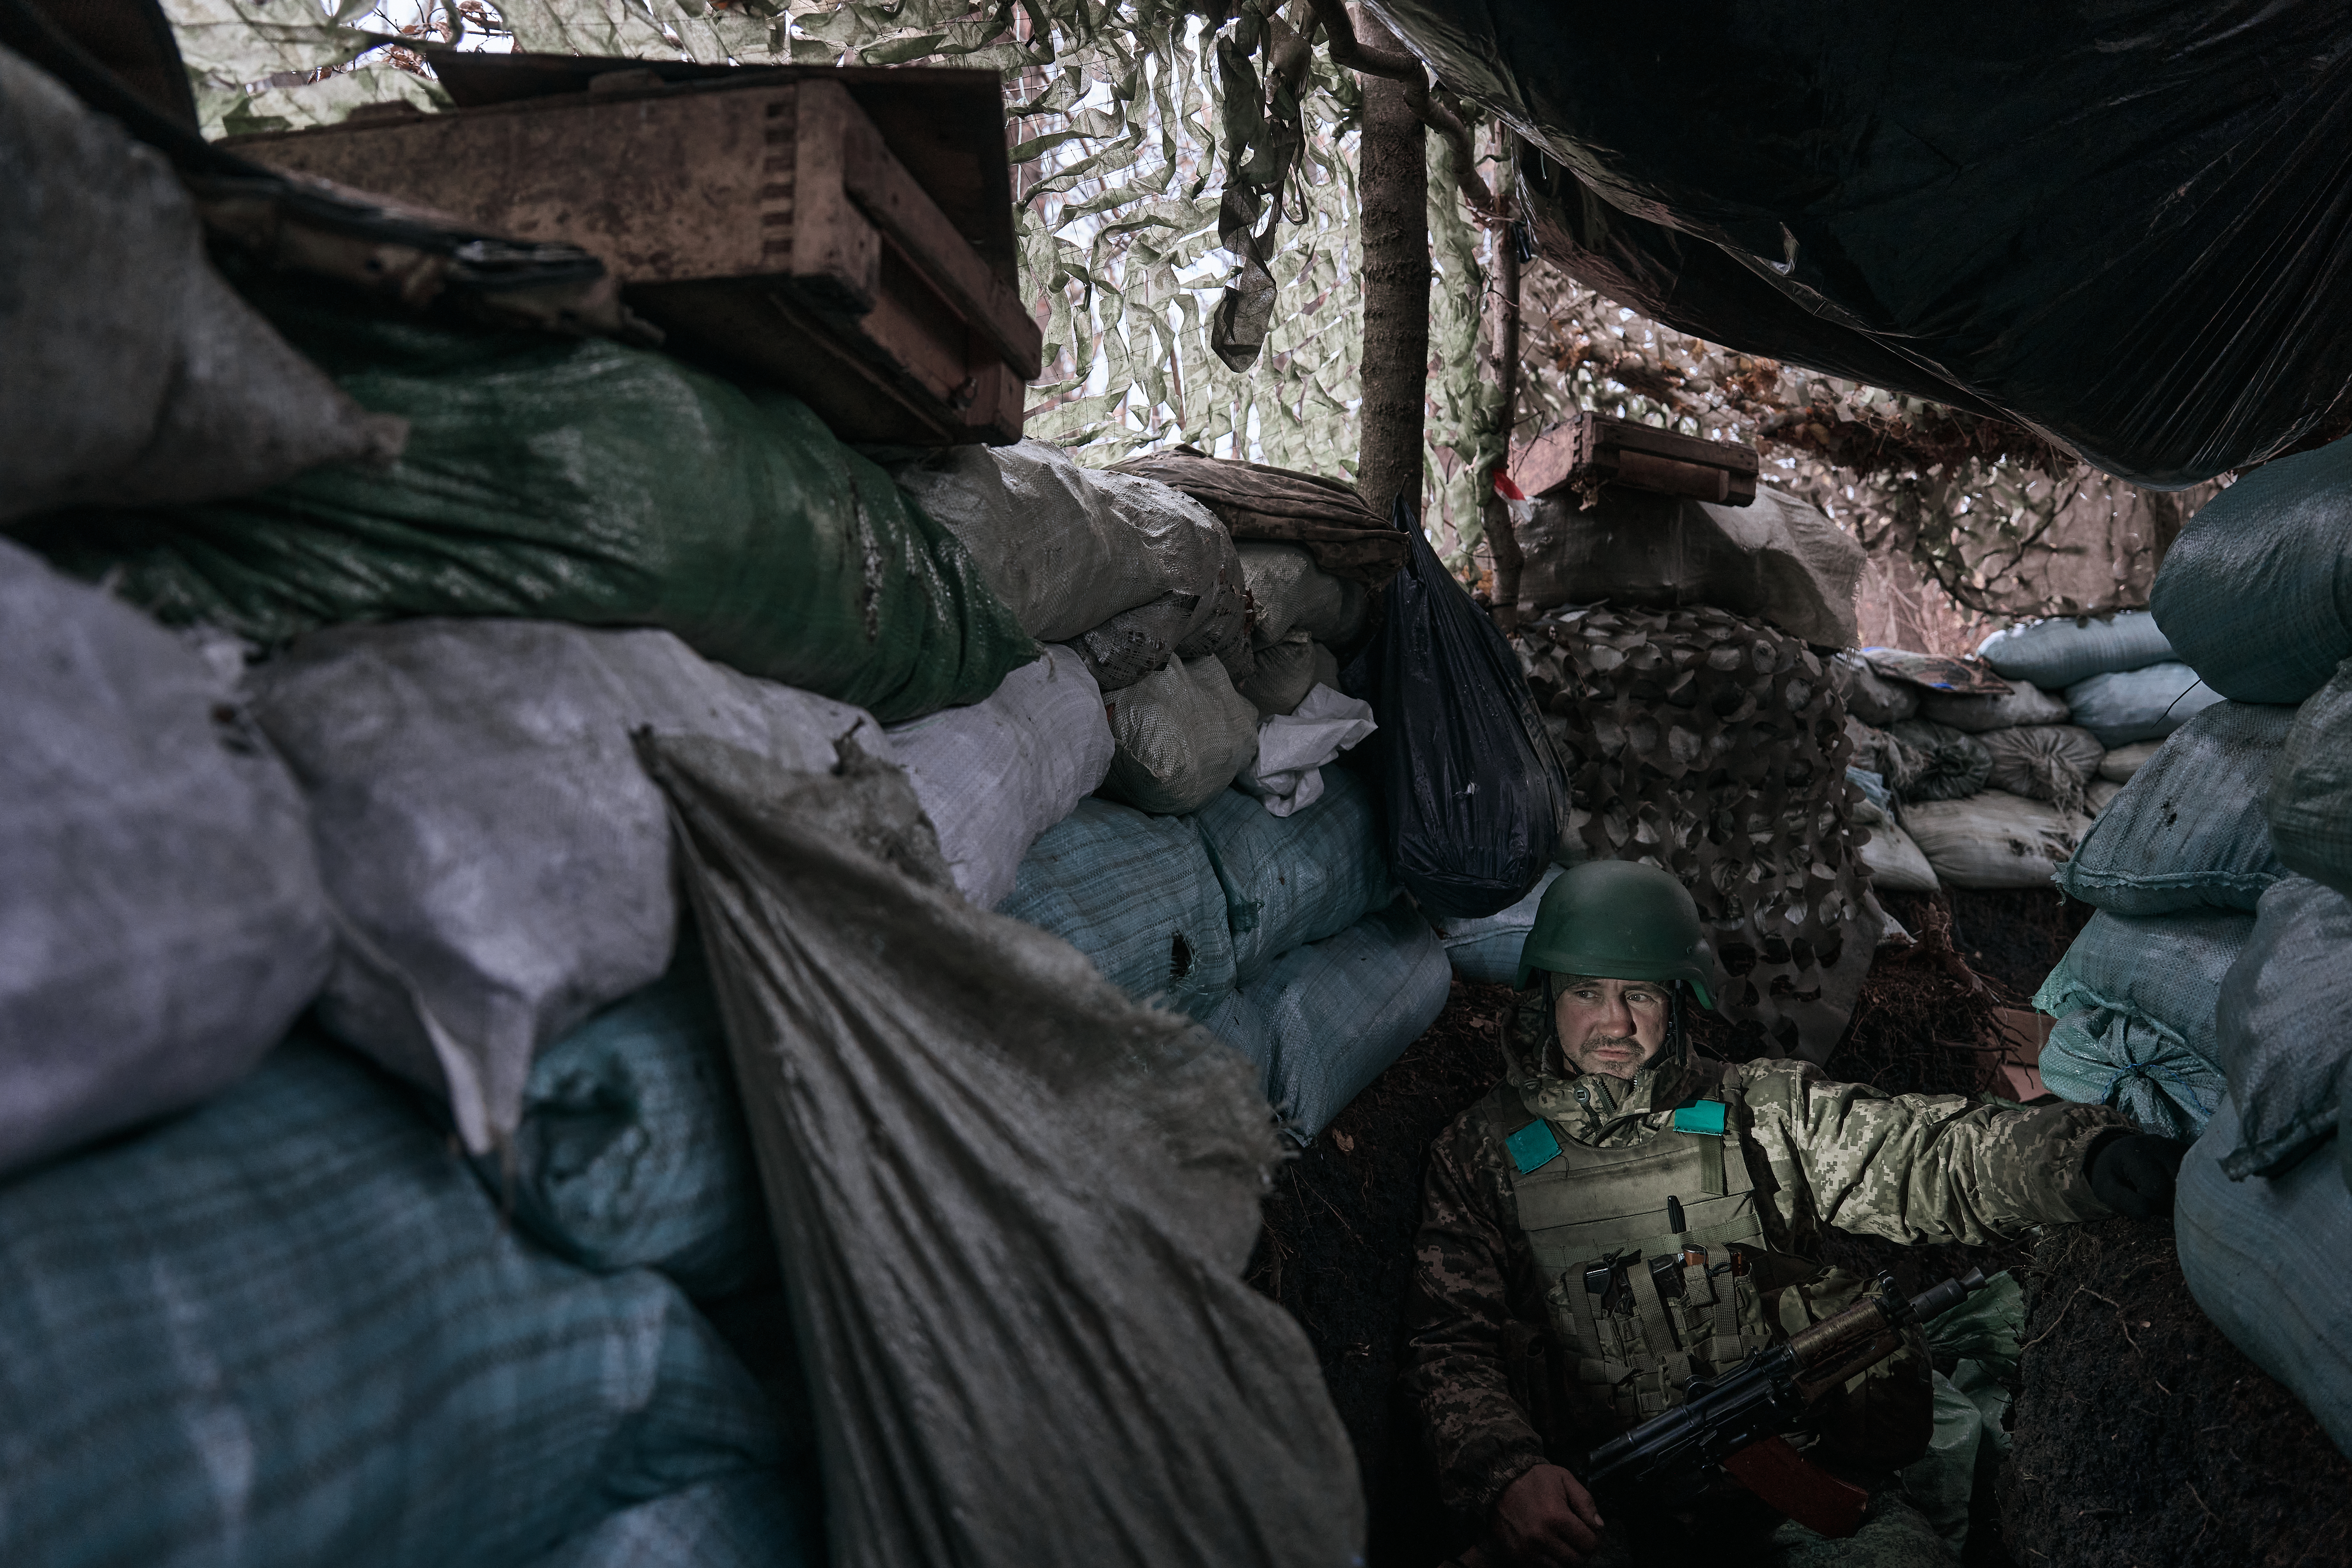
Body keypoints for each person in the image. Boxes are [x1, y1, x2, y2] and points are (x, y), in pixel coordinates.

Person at [1403, 860, 2186, 1567]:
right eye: (1587, 991)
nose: (1614, 1023)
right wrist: (1508, 1471)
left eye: (1639, 992)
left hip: (1787, 1487)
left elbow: (1923, 1154)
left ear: (1678, 999)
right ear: (1546, 990)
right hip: (1598, 1505)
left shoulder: (1760, 1112)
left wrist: (2076, 1162)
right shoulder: (1483, 1152)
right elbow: (1449, 1342)